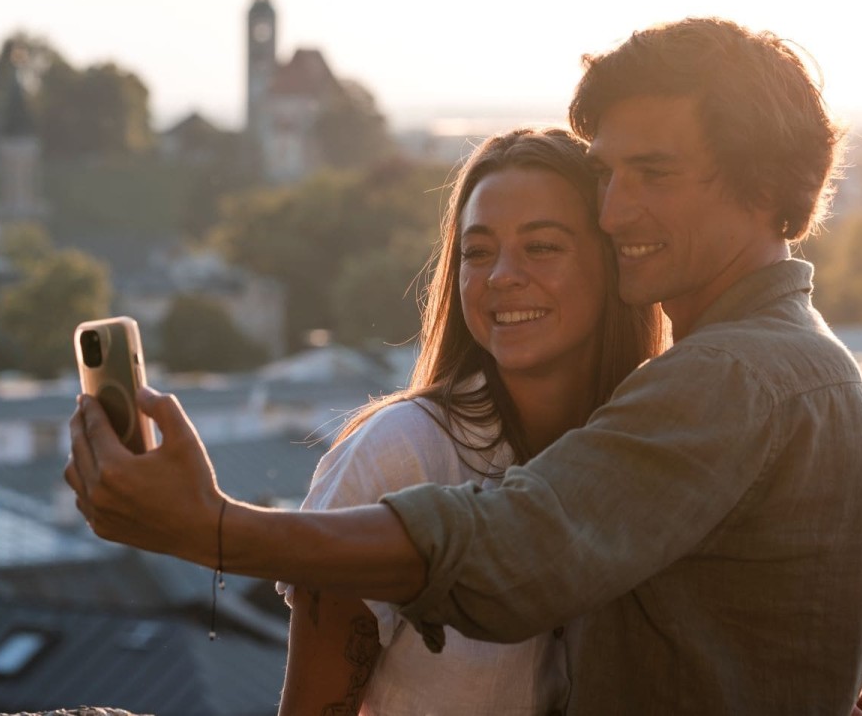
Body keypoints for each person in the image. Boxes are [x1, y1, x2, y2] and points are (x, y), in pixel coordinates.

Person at [66, 16, 862, 714]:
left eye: (654, 174)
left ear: (762, 179)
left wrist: (212, 529)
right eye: (607, 175)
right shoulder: (806, 364)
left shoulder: (733, 377)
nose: (615, 208)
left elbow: (513, 549)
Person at [278, 127, 666, 715]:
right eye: (477, 252)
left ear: (612, 263)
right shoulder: (399, 455)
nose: (501, 276)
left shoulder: (662, 459)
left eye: (541, 247)